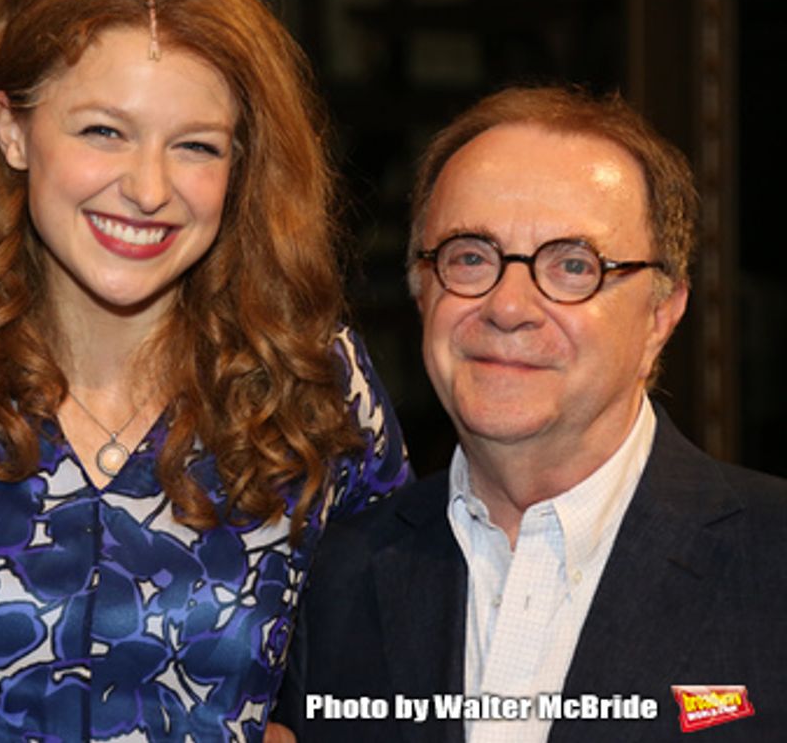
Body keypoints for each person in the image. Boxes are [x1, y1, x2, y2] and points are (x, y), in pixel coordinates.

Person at [0, 0, 408, 742]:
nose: (148, 188)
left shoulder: (311, 383)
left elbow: (387, 676)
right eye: (104, 130)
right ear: (12, 128)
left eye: (197, 146)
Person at [277, 86, 787, 742]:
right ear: (420, 286)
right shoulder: (332, 579)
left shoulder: (772, 565)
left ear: (662, 314)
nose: (508, 305)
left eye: (573, 265)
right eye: (470, 257)